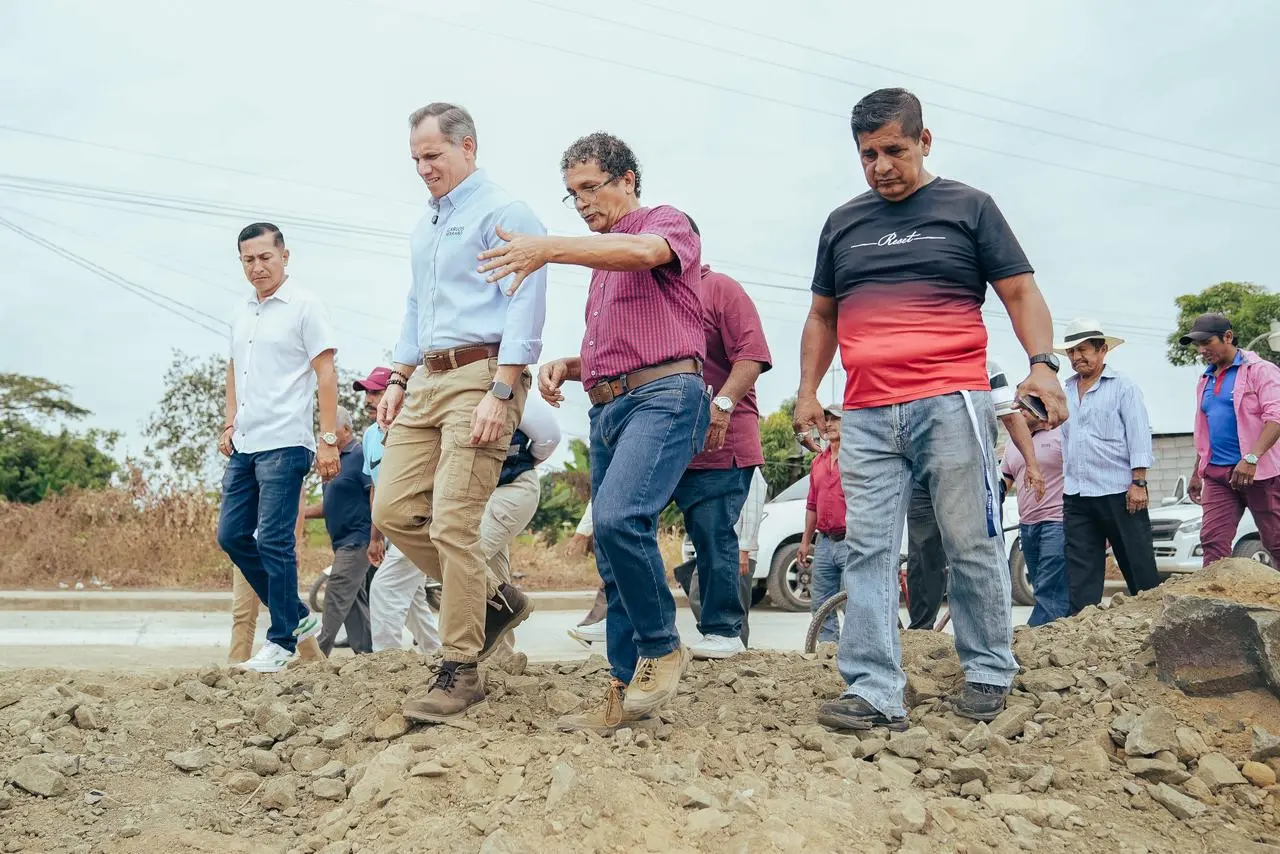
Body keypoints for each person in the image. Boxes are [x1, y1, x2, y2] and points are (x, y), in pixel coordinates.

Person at [794, 88, 1067, 731]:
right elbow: (822, 315)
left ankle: (988, 669)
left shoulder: (969, 207)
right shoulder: (842, 223)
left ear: (924, 140)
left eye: (894, 149)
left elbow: (1020, 291)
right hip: (865, 411)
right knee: (867, 548)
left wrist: (1042, 364)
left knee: (969, 539)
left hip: (951, 399)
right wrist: (808, 391)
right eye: (868, 155)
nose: (882, 166)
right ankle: (874, 690)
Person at [476, 131, 707, 733]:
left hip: (665, 397)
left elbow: (645, 252)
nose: (581, 203)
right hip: (611, 407)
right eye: (571, 194)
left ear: (627, 179)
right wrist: (572, 366)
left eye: (589, 188)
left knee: (619, 518)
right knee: (611, 551)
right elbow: (631, 345)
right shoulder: (603, 270)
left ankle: (662, 647)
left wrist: (548, 248)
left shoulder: (665, 223)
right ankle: (622, 693)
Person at [372, 103, 547, 723]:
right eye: (416, 158)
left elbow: (524, 302)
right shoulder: (426, 226)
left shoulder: (505, 213)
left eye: (433, 155)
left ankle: (461, 669)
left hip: (481, 373)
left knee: (453, 522)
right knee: (392, 508)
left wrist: (503, 390)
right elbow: (415, 305)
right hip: (426, 376)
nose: (423, 168)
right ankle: (494, 599)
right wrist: (398, 376)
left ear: (467, 146)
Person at [217, 222, 339, 673]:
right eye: (248, 259)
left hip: (286, 441)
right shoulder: (240, 311)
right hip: (246, 441)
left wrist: (328, 439)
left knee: (273, 539)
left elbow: (326, 374)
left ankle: (282, 641)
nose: (257, 267)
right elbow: (235, 369)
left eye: (265, 257)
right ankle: (295, 615)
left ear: (284, 256)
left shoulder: (305, 305)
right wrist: (230, 421)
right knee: (231, 535)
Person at [671, 219, 772, 661]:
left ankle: (724, 631)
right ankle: (624, 620)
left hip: (720, 441)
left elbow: (752, 355)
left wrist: (723, 404)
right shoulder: (653, 297)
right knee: (625, 522)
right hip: (670, 440)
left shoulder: (720, 289)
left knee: (713, 534)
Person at [904, 360, 1045, 630]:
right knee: (922, 553)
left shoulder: (986, 367)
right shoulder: (915, 362)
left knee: (976, 553)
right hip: (922, 474)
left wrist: (1032, 464)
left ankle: (988, 631)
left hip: (971, 472)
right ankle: (921, 630)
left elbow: (1010, 415)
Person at [1057, 317, 1160, 612]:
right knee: (1081, 572)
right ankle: (1081, 626)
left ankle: (1154, 620)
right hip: (1077, 493)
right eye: (1071, 352)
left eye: (1083, 350)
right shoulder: (1064, 391)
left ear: (1102, 350)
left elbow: (1138, 435)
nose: (1076, 357)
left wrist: (1138, 482)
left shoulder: (1124, 387)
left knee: (1138, 565)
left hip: (1120, 491)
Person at [1182, 313, 1280, 564]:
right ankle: (1215, 591)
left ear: (1227, 337)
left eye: (1207, 343)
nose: (1202, 350)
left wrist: (1251, 458)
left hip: (1260, 474)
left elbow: (1276, 417)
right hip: (1218, 475)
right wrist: (1197, 472)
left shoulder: (1261, 370)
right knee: (1213, 542)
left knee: (1276, 541)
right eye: (1198, 345)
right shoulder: (1206, 378)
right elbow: (1206, 430)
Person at [303, 408, 374, 657]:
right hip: (342, 541)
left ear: (346, 430)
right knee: (353, 599)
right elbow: (330, 505)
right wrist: (300, 513)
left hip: (358, 540)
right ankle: (365, 654)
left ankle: (317, 654)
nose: (324, 434)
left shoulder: (359, 455)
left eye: (330, 428)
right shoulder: (332, 461)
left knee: (335, 593)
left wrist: (377, 536)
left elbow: (374, 493)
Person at [1000, 409, 1068, 625]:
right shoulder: (1014, 443)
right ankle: (1059, 629)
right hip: (1027, 525)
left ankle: (1035, 632)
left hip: (1058, 521)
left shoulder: (1062, 434)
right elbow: (1006, 479)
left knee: (1049, 585)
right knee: (1042, 585)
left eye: (1026, 405)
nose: (1019, 410)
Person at [797, 407, 847, 645]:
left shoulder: (857, 459)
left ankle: (857, 652)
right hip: (825, 542)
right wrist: (805, 542)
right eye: (825, 419)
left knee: (853, 602)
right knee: (820, 604)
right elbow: (812, 505)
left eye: (835, 419)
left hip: (851, 540)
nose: (828, 424)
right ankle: (829, 651)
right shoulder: (818, 461)